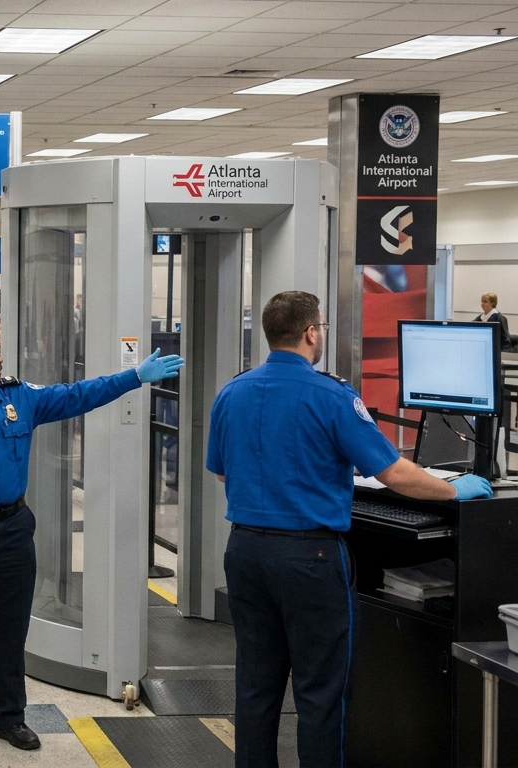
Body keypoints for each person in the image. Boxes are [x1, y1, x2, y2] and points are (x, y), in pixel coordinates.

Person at [206, 290, 492, 767]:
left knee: (256, 687)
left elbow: (221, 472)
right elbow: (394, 473)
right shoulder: (331, 396)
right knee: (322, 692)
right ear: (310, 332)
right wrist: (455, 491)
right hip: (310, 560)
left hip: (245, 553)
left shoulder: (232, 392)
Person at [0, 325, 184, 758]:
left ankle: (9, 718)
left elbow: (77, 395)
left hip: (14, 529)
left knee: (10, 630)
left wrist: (134, 377)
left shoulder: (19, 398)